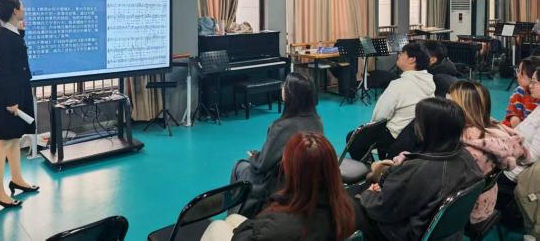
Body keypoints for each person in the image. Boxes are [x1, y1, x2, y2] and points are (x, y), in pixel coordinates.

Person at [353, 97, 484, 241]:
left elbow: (382, 209)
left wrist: (368, 194)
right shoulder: (466, 157)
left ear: (430, 129)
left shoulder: (418, 171)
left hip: (404, 234)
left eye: (418, 120)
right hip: (446, 234)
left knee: (349, 204)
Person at [201, 132, 356, 241]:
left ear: (292, 172)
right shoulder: (350, 209)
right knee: (232, 218)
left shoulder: (278, 222)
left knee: (217, 226)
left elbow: (240, 237)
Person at [230, 72, 323, 217]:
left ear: (292, 95)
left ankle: (235, 215)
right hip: (306, 180)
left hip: (279, 183)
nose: (282, 87)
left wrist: (254, 156)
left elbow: (262, 165)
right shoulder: (317, 121)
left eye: (285, 85)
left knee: (239, 166)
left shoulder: (281, 127)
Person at [447, 80, 528, 224]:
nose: (444, 106)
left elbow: (445, 184)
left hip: (466, 208)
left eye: (449, 102)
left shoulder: (469, 149)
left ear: (464, 109)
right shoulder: (492, 131)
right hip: (486, 199)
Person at [0, 0, 39, 209]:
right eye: (22, 6)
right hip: (10, 94)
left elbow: (15, 60)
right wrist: (12, 101)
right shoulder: (6, 38)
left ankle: (17, 179)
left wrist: (21, 33)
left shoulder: (10, 33)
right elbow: (8, 70)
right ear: (15, 11)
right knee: (4, 143)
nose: (24, 9)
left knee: (14, 139)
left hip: (17, 90)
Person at [370, 42, 435, 158]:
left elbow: (379, 117)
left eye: (402, 53)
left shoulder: (397, 85)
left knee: (353, 137)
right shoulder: (429, 82)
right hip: (418, 137)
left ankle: (372, 165)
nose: (398, 55)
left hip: (395, 137)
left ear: (412, 59)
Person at [497, 67, 540, 222]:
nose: (530, 85)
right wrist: (499, 129)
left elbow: (531, 156)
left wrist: (505, 149)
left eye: (534, 82)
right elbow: (521, 132)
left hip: (514, 170)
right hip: (513, 159)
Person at [502, 57, 540, 128]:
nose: (517, 75)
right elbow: (512, 115)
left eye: (521, 73)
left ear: (533, 75)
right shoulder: (519, 91)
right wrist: (513, 118)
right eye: (518, 71)